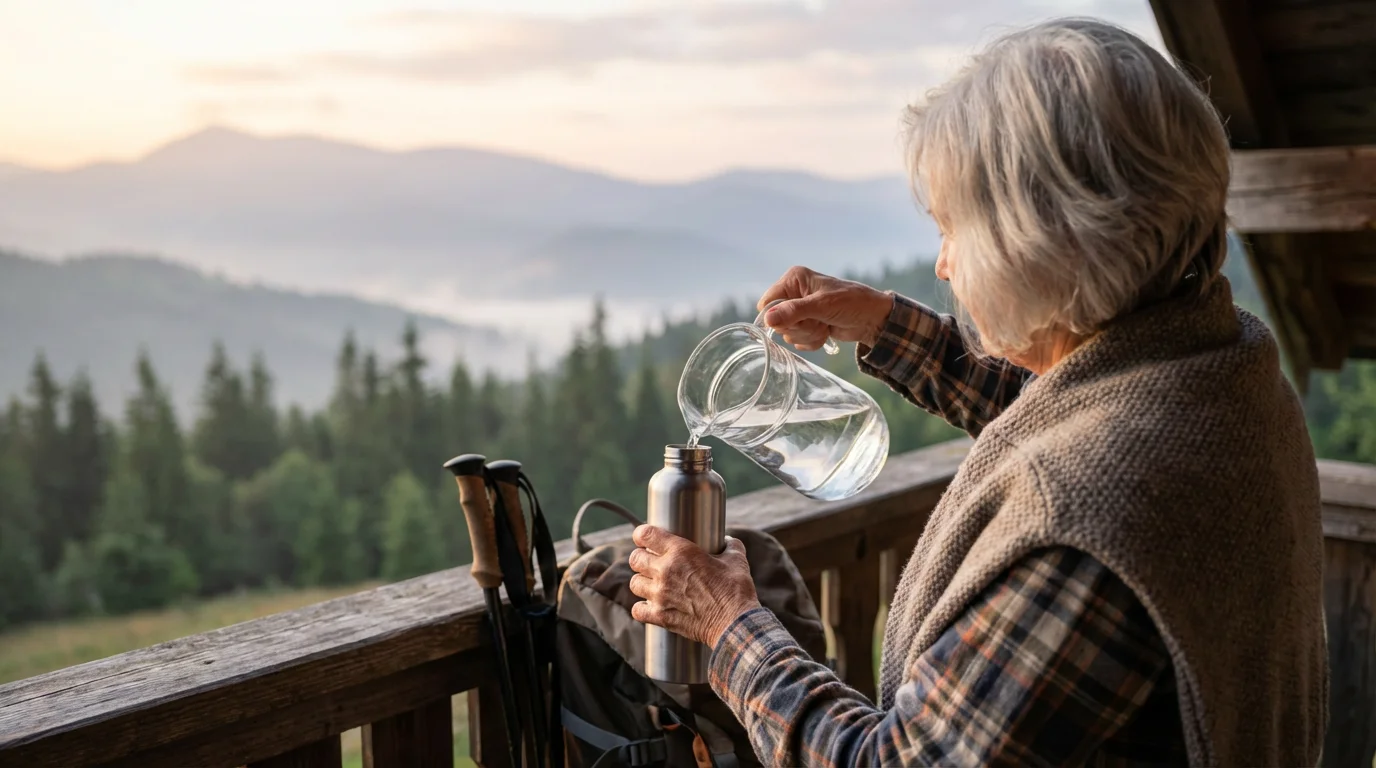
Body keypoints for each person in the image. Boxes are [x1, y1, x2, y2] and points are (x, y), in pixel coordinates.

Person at [627, 17, 1328, 767]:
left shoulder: (1086, 536)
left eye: (950, 231)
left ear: (1037, 245)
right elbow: (1077, 414)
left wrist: (730, 625)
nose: (943, 266)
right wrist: (885, 327)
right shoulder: (1217, 369)